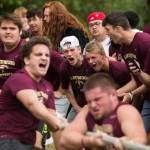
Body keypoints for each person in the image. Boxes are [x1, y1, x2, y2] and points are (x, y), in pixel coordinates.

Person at [0, 36, 64, 150]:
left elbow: (53, 123)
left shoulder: (47, 87)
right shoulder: (19, 78)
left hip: (28, 142)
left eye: (47, 55)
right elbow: (32, 104)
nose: (44, 58)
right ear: (26, 60)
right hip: (7, 139)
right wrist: (56, 121)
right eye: (39, 55)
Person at [60, 73, 147, 150]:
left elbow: (139, 140)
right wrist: (90, 141)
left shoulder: (125, 111)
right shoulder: (87, 110)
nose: (93, 105)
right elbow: (65, 139)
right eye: (89, 101)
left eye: (97, 99)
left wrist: (128, 142)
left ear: (113, 95)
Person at [102, 11, 150, 133]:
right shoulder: (124, 48)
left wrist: (131, 94)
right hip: (147, 98)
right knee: (139, 136)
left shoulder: (146, 43)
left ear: (118, 28)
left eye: (108, 30)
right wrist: (114, 94)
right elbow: (135, 81)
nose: (107, 34)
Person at [60, 35, 94, 121]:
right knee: (67, 127)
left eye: (72, 50)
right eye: (66, 51)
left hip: (97, 101)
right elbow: (66, 89)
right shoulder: (64, 67)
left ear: (79, 49)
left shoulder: (90, 62)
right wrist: (77, 107)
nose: (69, 54)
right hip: (80, 103)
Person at [0, 13, 26, 90]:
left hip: (17, 95)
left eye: (12, 28)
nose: (8, 32)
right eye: (4, 28)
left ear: (20, 31)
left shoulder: (29, 49)